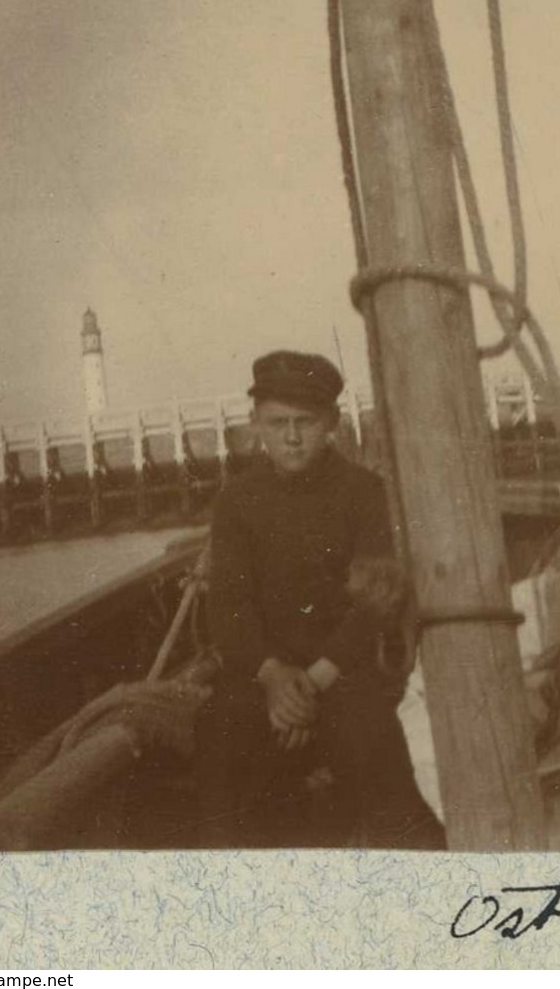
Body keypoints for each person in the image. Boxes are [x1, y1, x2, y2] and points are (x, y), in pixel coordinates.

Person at [194, 350, 444, 849]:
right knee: (219, 739)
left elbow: (376, 601)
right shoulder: (237, 501)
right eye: (277, 422)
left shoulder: (362, 491)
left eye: (304, 422)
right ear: (255, 424)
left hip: (341, 671)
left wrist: (309, 684)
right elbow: (229, 608)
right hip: (264, 675)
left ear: (330, 422)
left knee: (375, 747)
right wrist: (272, 678)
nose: (291, 437)